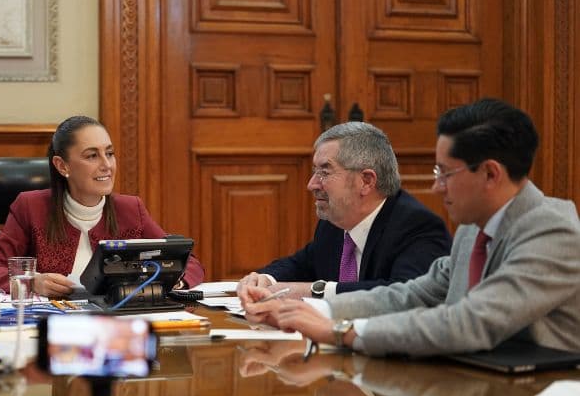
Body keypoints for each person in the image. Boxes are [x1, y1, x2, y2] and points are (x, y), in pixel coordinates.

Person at [243, 98, 580, 357]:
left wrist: (340, 330)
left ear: (491, 174)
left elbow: (471, 321)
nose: (436, 188)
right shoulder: (472, 230)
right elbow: (414, 294)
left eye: (446, 174)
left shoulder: (552, 231)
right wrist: (308, 310)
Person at [0, 115, 204, 297]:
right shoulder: (31, 207)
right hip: (50, 328)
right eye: (92, 156)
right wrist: (32, 283)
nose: (107, 165)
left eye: (110, 153)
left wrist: (175, 280)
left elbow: (187, 263)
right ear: (62, 165)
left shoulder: (131, 209)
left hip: (116, 327)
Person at [237, 121, 451, 304]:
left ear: (366, 181)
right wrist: (265, 280)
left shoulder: (417, 227)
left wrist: (316, 291)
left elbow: (403, 297)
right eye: (315, 172)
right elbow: (303, 263)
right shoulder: (335, 222)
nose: (312, 184)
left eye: (324, 172)